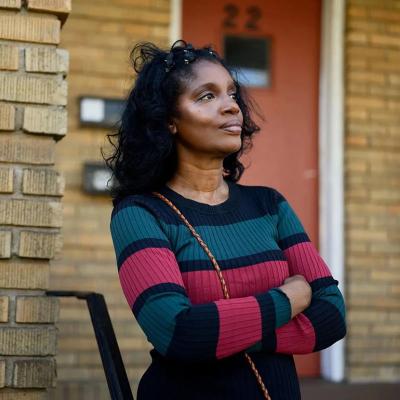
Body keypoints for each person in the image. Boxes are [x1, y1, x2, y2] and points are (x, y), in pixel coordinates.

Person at [106, 40, 346, 400]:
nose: (231, 106)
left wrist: (223, 333)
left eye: (232, 93)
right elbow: (178, 332)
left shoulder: (269, 205)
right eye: (206, 96)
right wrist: (287, 299)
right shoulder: (141, 213)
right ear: (168, 120)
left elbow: (332, 314)